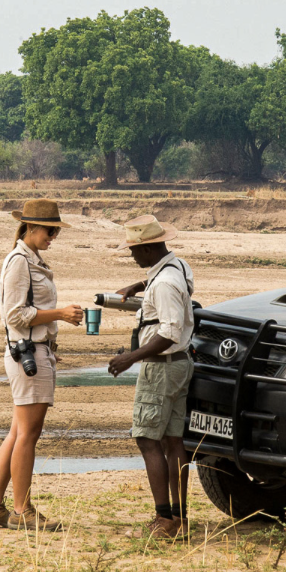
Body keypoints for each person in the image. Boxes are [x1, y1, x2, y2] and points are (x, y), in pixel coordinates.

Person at [0, 199, 84, 531]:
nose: (53, 237)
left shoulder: (29, 260)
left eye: (55, 231)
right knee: (28, 434)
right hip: (28, 355)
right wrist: (60, 315)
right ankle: (21, 511)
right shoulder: (20, 262)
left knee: (18, 432)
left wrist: (51, 341)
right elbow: (14, 315)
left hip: (35, 352)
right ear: (32, 227)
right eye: (50, 231)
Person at [107, 215, 195, 540]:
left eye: (134, 251)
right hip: (180, 365)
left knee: (147, 439)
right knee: (173, 441)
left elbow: (169, 332)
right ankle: (178, 517)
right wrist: (139, 285)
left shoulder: (164, 284)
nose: (132, 256)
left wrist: (131, 357)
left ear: (148, 249)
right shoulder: (179, 268)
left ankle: (163, 519)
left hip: (161, 367)